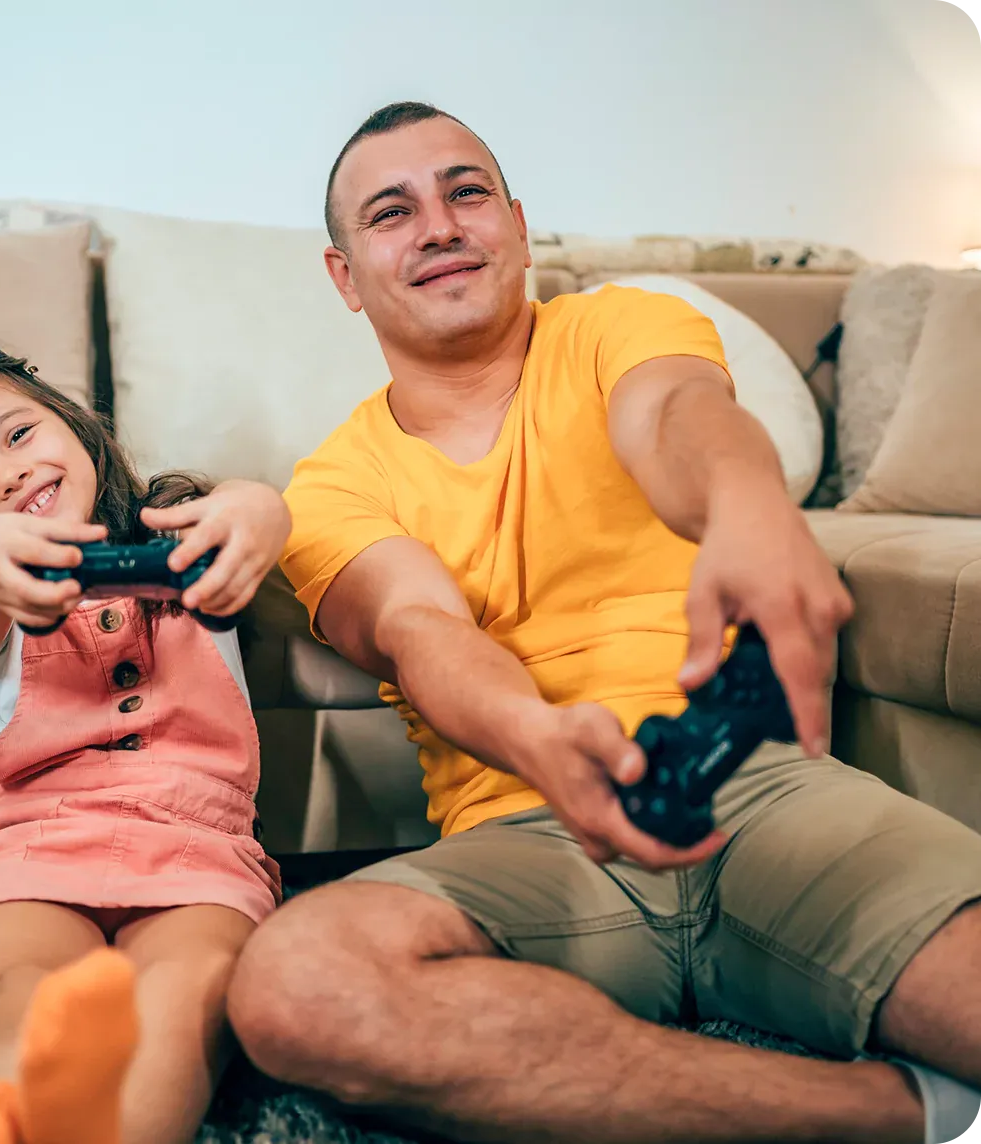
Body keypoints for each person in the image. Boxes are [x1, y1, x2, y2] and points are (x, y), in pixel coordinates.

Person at [226, 102, 981, 1144]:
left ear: (520, 226)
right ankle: (897, 1116)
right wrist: (537, 736)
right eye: (392, 213)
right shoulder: (330, 483)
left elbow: (676, 421)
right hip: (528, 840)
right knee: (295, 985)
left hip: (758, 787)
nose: (440, 226)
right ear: (346, 277)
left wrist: (753, 508)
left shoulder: (624, 325)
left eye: (467, 192)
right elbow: (419, 625)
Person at [0, 341, 290, 1144]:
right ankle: (1, 1116)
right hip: (29, 849)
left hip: (196, 850)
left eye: (19, 435)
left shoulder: (190, 538)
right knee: (22, 993)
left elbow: (258, 509)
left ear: (73, 424)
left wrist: (260, 510)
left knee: (180, 1000)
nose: (7, 475)